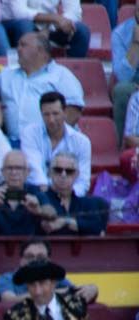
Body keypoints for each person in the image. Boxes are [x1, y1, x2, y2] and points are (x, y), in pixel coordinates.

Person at [0, 31, 83, 143]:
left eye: (23, 45)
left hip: (50, 142)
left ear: (40, 51)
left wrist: (54, 140)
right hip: (13, 143)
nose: (18, 49)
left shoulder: (61, 75)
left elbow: (73, 111)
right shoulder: (6, 74)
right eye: (18, 45)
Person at [20, 91, 91, 196]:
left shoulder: (82, 142)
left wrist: (68, 195)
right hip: (39, 193)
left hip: (70, 197)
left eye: (55, 114)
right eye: (46, 114)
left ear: (65, 112)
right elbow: (34, 170)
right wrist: (51, 194)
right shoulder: (30, 133)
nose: (51, 120)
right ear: (41, 114)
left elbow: (83, 181)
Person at [0, 237, 97, 305]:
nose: (35, 261)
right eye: (30, 257)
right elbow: (8, 301)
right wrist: (52, 293)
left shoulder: (54, 277)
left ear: (48, 261)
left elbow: (75, 292)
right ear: (21, 260)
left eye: (40, 257)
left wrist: (93, 289)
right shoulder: (7, 278)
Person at [37, 152, 107, 238]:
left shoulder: (87, 203)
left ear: (76, 175)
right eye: (58, 170)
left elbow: (97, 228)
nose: (63, 175)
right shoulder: (40, 199)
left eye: (69, 171)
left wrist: (65, 221)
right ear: (49, 172)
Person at [0, 150, 46, 236]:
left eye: (18, 168)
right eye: (9, 168)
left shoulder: (36, 191)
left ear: (27, 172)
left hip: (30, 247)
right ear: (2, 172)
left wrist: (39, 211)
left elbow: (51, 212)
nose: (13, 173)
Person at [1, 0, 90, 58]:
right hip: (14, 23)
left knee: (81, 31)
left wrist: (49, 29)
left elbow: (74, 13)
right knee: (25, 26)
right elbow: (19, 12)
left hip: (48, 27)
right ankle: (27, 76)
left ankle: (71, 77)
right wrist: (55, 18)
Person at [111, 10, 139, 141]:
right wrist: (135, 44)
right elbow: (122, 77)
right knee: (121, 90)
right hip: (133, 84)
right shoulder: (120, 33)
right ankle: (125, 145)